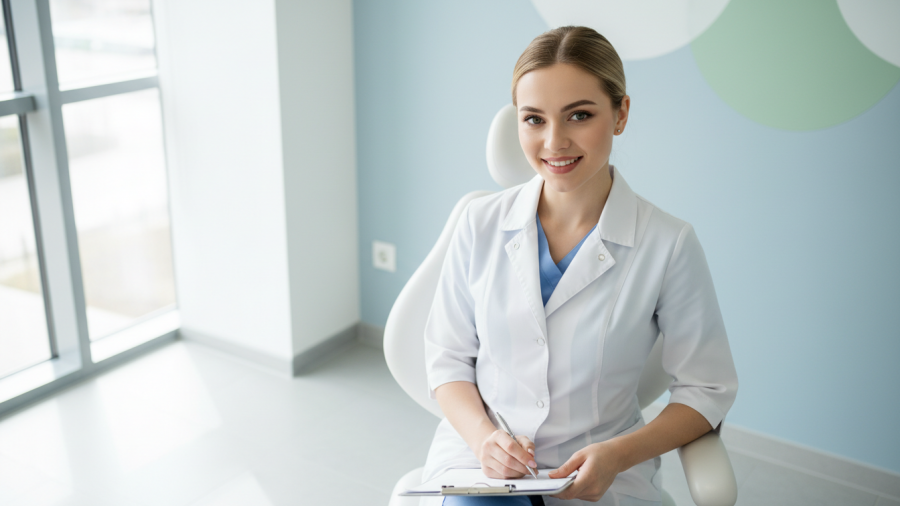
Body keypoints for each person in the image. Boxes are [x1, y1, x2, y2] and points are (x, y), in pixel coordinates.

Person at [421, 26, 738, 506]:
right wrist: (485, 439)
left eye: (579, 115)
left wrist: (618, 454)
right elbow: (447, 357)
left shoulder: (668, 244)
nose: (555, 142)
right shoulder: (479, 223)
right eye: (534, 120)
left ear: (620, 114)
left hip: (603, 473)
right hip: (482, 464)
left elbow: (707, 388)